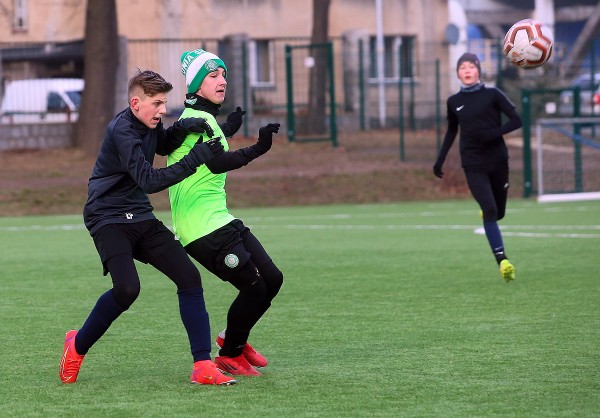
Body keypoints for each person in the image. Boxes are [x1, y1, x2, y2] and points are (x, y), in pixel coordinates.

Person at [59, 69, 237, 386]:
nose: (162, 110)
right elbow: (149, 180)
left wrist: (185, 126)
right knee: (127, 289)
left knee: (189, 277)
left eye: (164, 103)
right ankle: (76, 345)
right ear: (135, 103)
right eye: (157, 104)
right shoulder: (122, 132)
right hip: (107, 217)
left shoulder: (150, 122)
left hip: (139, 214)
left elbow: (163, 144)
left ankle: (202, 366)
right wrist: (196, 157)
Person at [167, 48, 284, 376]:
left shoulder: (203, 118)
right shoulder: (196, 121)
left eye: (223, 75)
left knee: (272, 279)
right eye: (213, 76)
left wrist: (229, 127)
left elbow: (211, 137)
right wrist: (258, 148)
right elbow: (217, 162)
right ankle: (230, 353)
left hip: (220, 220)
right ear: (196, 85)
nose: (222, 81)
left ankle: (232, 340)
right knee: (255, 288)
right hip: (201, 228)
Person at [433, 52, 522, 282]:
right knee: (490, 210)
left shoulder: (493, 94)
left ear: (478, 70)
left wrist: (493, 134)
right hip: (473, 162)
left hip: (497, 160)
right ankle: (502, 261)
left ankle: (489, 211)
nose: (467, 70)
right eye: (462, 67)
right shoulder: (454, 102)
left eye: (471, 66)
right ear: (457, 73)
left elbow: (517, 120)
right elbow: (452, 130)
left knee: (499, 212)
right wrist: (440, 159)